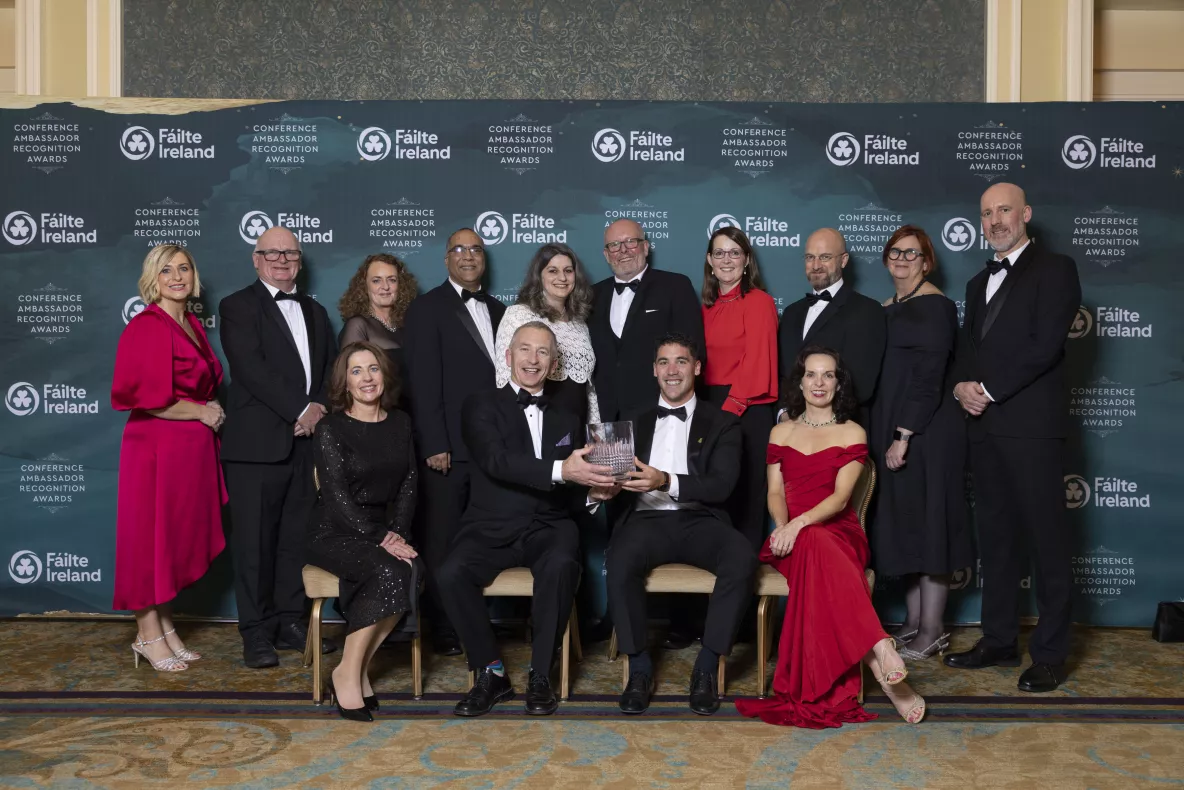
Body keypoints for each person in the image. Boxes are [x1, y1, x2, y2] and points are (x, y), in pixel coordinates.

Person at [735, 347, 926, 728]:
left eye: (828, 375)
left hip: (839, 532)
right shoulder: (781, 431)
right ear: (800, 381)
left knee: (816, 540)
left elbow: (840, 499)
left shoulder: (852, 431)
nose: (819, 382)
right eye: (811, 374)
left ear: (839, 383)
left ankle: (879, 654)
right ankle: (880, 651)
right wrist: (783, 526)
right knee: (809, 542)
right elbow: (774, 492)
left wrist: (799, 524)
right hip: (788, 535)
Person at [436, 322, 617, 717]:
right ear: (509, 356)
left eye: (542, 352)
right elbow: (496, 460)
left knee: (561, 565)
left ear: (554, 363)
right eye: (525, 350)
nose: (532, 359)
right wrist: (562, 472)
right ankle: (492, 672)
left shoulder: (569, 414)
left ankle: (540, 673)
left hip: (548, 524)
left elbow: (572, 482)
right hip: (490, 524)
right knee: (450, 573)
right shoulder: (480, 404)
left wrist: (592, 492)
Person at [945, 183, 1081, 693]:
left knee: (1047, 542)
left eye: (1004, 210)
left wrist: (990, 390)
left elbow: (1045, 346)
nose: (995, 219)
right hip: (985, 430)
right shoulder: (978, 283)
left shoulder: (1057, 269)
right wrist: (962, 387)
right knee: (997, 543)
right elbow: (968, 350)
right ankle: (999, 640)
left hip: (1032, 430)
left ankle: (1048, 654)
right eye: (986, 213)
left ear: (1025, 214)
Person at [597, 333, 758, 716]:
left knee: (740, 556)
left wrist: (666, 480)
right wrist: (599, 491)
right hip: (646, 520)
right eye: (664, 362)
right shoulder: (628, 421)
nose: (672, 370)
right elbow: (607, 480)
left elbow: (721, 485)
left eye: (681, 361)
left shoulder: (723, 424)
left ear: (697, 368)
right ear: (654, 370)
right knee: (620, 560)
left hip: (700, 519)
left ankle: (706, 666)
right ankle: (638, 669)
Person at [220, 226, 338, 668]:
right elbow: (251, 368)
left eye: (289, 252)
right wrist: (299, 410)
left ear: (300, 260)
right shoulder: (237, 306)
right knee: (253, 544)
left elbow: (330, 369)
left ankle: (291, 620)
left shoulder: (315, 309)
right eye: (271, 253)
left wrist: (320, 407)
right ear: (256, 259)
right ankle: (255, 631)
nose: (281, 259)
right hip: (255, 448)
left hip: (306, 446)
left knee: (295, 540)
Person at [111, 244, 226, 672]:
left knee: (169, 541)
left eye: (184, 268)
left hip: (187, 451)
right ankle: (146, 633)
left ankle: (165, 625)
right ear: (152, 279)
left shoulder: (191, 323)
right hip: (155, 448)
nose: (177, 277)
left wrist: (207, 410)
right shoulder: (148, 326)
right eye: (166, 271)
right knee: (148, 540)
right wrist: (202, 410)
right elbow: (146, 397)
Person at [870, 226, 974, 660]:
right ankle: (913, 622)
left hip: (925, 432)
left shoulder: (936, 307)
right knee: (908, 528)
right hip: (891, 427)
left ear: (927, 261)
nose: (902, 259)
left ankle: (932, 628)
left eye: (912, 253)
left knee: (931, 528)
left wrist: (904, 435)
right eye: (895, 252)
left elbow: (931, 377)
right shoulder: (886, 307)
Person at [403, 228, 506, 656]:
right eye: (458, 249)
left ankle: (475, 622)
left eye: (476, 249)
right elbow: (422, 382)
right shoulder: (427, 308)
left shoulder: (501, 310)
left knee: (480, 538)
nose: (468, 256)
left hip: (492, 452)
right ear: (446, 259)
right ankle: (442, 625)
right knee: (442, 539)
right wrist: (433, 442)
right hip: (447, 450)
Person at [308, 342, 420, 722]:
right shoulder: (330, 428)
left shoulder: (401, 422)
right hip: (335, 529)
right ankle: (346, 673)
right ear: (345, 382)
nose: (367, 378)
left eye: (372, 368)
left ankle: (354, 669)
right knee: (389, 570)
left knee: (412, 572)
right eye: (356, 371)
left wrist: (399, 534)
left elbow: (408, 483)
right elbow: (336, 497)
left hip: (381, 529)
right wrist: (382, 539)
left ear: (383, 374)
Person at [700, 227, 779, 553]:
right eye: (719, 252)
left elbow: (758, 363)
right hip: (709, 408)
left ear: (747, 260)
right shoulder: (704, 306)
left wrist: (724, 416)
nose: (727, 259)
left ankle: (742, 591)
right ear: (709, 260)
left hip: (746, 409)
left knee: (745, 501)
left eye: (735, 252)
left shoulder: (759, 302)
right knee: (712, 500)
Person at [589, 219, 704, 424]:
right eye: (615, 245)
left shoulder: (675, 286)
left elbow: (693, 350)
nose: (623, 250)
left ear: (645, 246)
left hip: (660, 414)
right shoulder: (592, 295)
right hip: (606, 419)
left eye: (631, 242)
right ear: (606, 254)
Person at [776, 228, 885, 426]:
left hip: (841, 429)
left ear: (843, 260)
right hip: (792, 428)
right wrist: (785, 413)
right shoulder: (791, 312)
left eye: (825, 257)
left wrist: (819, 420)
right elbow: (784, 372)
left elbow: (863, 382)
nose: (816, 265)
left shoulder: (867, 310)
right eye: (810, 257)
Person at [495, 243, 600, 424]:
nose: (562, 277)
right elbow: (504, 379)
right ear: (539, 276)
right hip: (540, 422)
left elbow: (588, 388)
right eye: (552, 271)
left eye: (568, 271)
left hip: (577, 424)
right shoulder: (519, 315)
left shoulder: (580, 322)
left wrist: (595, 428)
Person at [337, 253, 418, 402]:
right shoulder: (358, 326)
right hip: (380, 416)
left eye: (392, 280)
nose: (385, 287)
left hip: (416, 412)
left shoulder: (411, 323)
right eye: (376, 281)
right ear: (364, 286)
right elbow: (350, 384)